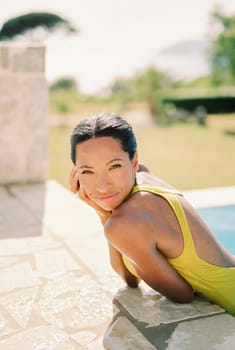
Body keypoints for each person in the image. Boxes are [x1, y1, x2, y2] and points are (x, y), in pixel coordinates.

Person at [69, 112, 235, 316]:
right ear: (75, 173)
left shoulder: (124, 224)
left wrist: (107, 219)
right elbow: (131, 276)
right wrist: (105, 214)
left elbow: (181, 295)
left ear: (134, 160)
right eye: (87, 171)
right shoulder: (144, 176)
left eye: (114, 166)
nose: (102, 186)